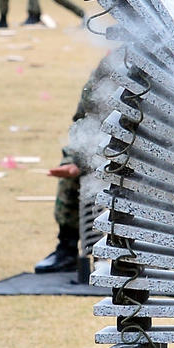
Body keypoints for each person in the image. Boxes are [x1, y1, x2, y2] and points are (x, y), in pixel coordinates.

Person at [34, 54, 117, 272]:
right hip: (116, 145)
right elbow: (86, 117)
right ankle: (67, 248)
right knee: (77, 162)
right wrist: (77, 160)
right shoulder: (116, 62)